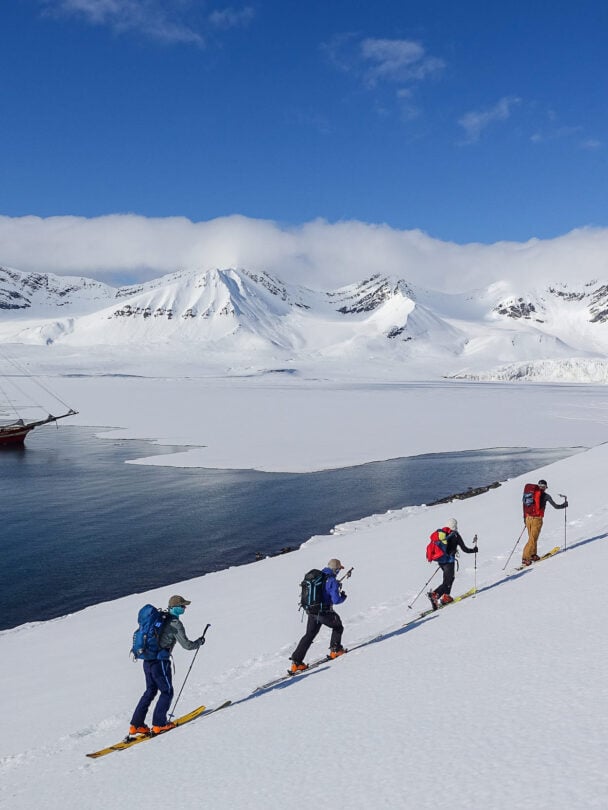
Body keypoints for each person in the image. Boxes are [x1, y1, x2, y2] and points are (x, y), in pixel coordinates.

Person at [130, 595, 205, 735]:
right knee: (167, 691)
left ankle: (136, 725)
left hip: (148, 660)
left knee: (150, 691)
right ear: (175, 608)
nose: (185, 608)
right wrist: (199, 642)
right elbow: (187, 645)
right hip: (160, 662)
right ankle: (159, 724)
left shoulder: (161, 618)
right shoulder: (175, 623)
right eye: (182, 606)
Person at [290, 558, 348, 673]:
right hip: (323, 611)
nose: (339, 572)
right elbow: (336, 600)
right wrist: (343, 596)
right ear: (336, 570)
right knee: (338, 626)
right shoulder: (331, 580)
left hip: (312, 611)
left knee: (309, 635)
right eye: (339, 569)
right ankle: (336, 650)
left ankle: (296, 662)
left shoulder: (319, 576)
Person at [428, 518, 477, 609]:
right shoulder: (455, 535)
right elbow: (465, 549)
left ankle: (446, 596)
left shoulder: (441, 534)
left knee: (449, 578)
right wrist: (474, 550)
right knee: (448, 580)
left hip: (441, 561)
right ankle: (435, 594)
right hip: (449, 562)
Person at [521, 479, 568, 566]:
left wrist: (525, 518)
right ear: (545, 487)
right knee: (532, 539)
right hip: (537, 519)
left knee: (532, 538)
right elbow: (556, 506)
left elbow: (524, 505)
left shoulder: (530, 494)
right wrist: (564, 505)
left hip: (528, 518)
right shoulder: (546, 496)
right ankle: (525, 558)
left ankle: (533, 555)